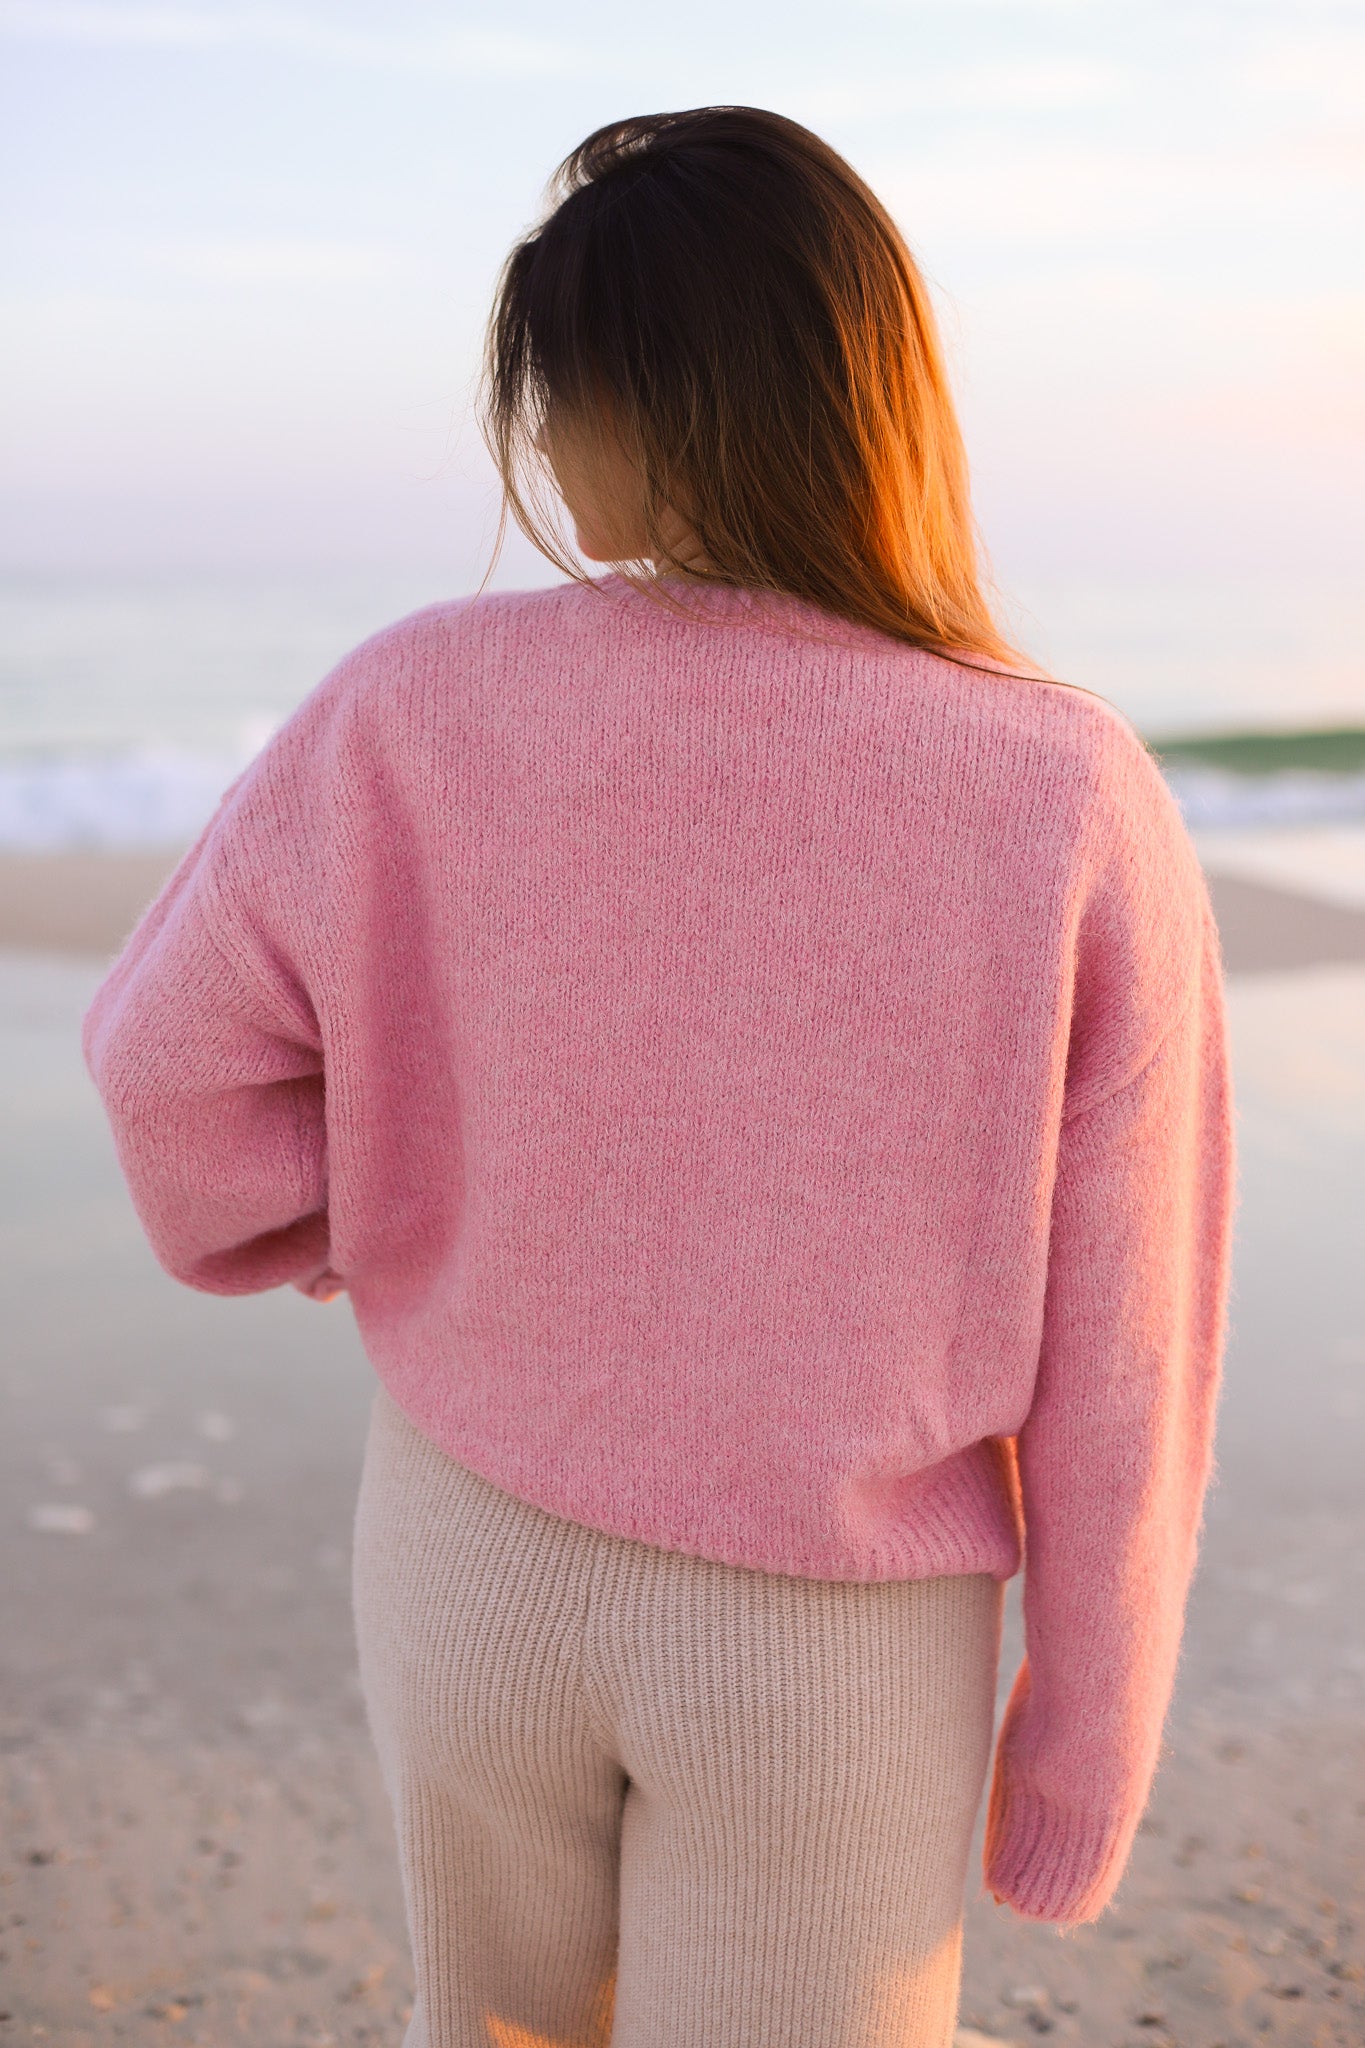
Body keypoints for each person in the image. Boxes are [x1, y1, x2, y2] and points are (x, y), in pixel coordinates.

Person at [81, 106, 1236, 2048]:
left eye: (546, 390)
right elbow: (1128, 1356)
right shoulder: (1057, 793)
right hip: (822, 1638)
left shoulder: (407, 701)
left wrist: (330, 1223)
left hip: (455, 1543)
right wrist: (1075, 1746)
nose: (528, 445)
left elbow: (162, 1066)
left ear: (625, 397)